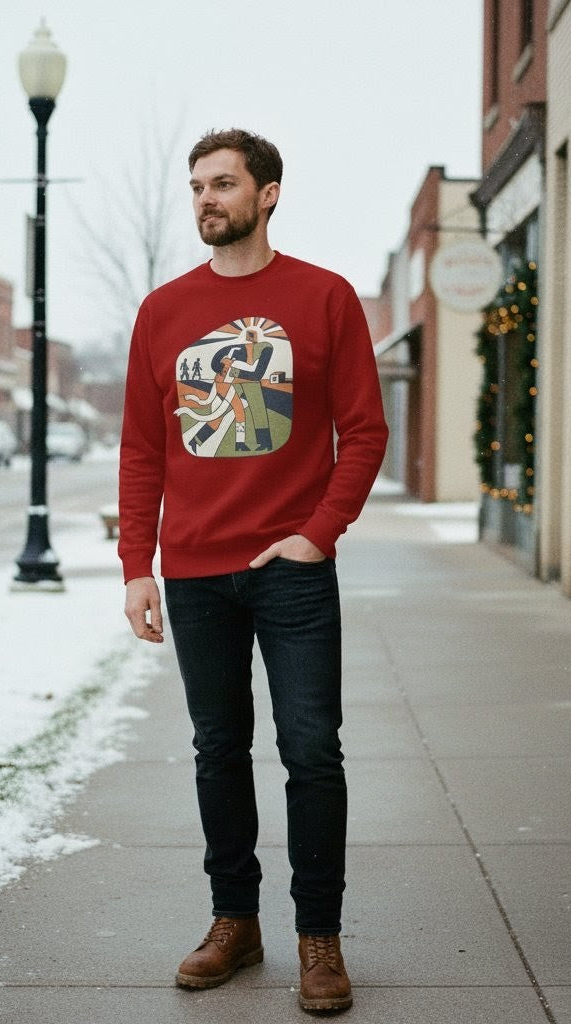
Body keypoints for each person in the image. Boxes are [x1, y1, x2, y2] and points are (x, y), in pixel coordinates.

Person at [118, 127, 388, 1014]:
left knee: (312, 751)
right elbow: (142, 451)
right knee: (217, 751)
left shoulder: (323, 299)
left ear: (268, 193)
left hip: (291, 571)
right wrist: (136, 565)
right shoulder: (161, 313)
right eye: (196, 185)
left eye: (223, 184)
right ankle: (235, 922)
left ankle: (320, 937)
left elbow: (366, 430)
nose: (205, 199)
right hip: (195, 574)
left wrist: (318, 533)